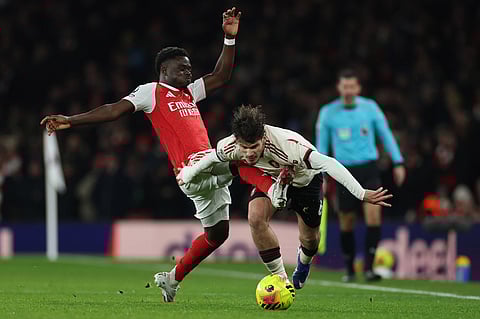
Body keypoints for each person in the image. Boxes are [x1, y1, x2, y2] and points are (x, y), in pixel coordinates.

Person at [40, 8, 286, 303]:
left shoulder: (190, 93)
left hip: (209, 169)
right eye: (182, 68)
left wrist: (229, 38)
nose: (188, 72)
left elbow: (221, 76)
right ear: (164, 70)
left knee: (218, 234)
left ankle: (171, 279)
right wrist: (70, 120)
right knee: (239, 154)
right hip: (192, 170)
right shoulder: (151, 91)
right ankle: (276, 188)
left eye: (190, 68)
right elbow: (113, 110)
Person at [176, 104, 393, 290]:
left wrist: (361, 193)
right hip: (272, 180)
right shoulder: (230, 145)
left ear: (263, 138)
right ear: (237, 142)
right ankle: (281, 278)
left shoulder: (288, 146)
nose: (249, 153)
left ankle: (304, 262)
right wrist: (188, 174)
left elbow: (329, 163)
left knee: (310, 239)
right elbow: (211, 159)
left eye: (254, 147)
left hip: (305, 183)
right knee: (256, 218)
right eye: (244, 148)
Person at [315, 69, 406, 282]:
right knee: (347, 221)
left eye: (351, 86)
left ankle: (369, 268)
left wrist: (398, 162)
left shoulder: (370, 108)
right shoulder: (328, 113)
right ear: (339, 88)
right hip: (343, 172)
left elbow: (386, 135)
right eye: (344, 86)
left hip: (369, 169)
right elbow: (321, 147)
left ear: (358, 88)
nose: (348, 90)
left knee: (373, 215)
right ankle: (349, 269)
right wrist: (321, 175)